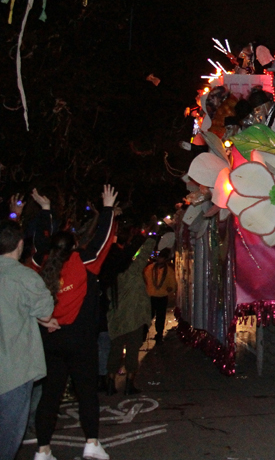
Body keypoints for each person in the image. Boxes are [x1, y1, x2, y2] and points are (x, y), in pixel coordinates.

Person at [32, 185, 118, 460]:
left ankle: (43, 450)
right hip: (81, 342)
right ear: (73, 247)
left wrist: (45, 212)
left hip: (51, 339)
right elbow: (103, 241)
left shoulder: (41, 264)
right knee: (86, 394)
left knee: (50, 397)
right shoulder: (83, 262)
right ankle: (92, 443)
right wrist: (107, 209)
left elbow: (38, 241)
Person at [0, 220, 55, 460]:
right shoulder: (25, 277)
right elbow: (45, 312)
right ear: (20, 245)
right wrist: (45, 319)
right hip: (14, 368)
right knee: (9, 436)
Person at [106, 236, 154, 395]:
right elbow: (143, 255)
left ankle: (110, 383)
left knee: (115, 350)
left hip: (116, 319)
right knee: (132, 351)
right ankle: (129, 384)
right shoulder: (132, 272)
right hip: (134, 318)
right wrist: (149, 237)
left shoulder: (108, 275)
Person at [144, 247, 176, 343]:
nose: (159, 259)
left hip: (162, 297)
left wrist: (170, 288)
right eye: (159, 257)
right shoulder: (150, 268)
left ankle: (159, 334)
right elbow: (145, 278)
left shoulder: (169, 271)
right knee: (148, 316)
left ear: (165, 259)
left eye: (162, 258)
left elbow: (173, 284)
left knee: (160, 317)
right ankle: (144, 333)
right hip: (151, 296)